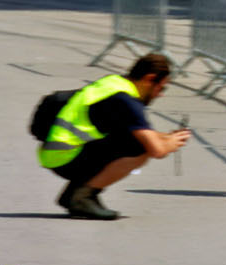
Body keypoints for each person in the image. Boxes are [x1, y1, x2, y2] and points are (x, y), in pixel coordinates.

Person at [37, 52, 191, 220]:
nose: (161, 94)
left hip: (56, 151)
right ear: (149, 79)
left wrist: (166, 137)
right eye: (162, 88)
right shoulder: (127, 102)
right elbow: (157, 150)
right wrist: (173, 142)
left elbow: (132, 131)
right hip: (65, 158)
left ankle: (74, 194)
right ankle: (82, 197)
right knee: (139, 149)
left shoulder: (114, 84)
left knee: (132, 139)